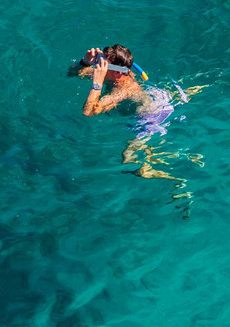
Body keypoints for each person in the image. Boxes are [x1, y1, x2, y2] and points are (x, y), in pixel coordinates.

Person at [76, 46, 205, 213]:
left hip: (150, 118)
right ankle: (173, 160)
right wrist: (84, 62)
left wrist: (97, 84)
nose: (98, 66)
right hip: (155, 100)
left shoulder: (123, 90)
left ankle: (177, 180)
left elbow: (88, 112)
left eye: (102, 64)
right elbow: (75, 74)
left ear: (117, 72)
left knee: (129, 161)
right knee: (138, 156)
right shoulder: (118, 74)